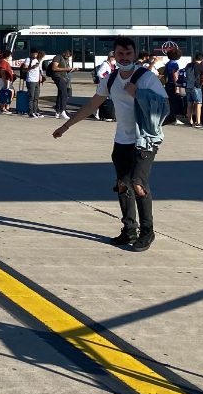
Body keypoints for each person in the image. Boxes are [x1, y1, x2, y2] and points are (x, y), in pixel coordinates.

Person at [53, 36, 167, 252]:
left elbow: (165, 106)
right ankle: (129, 229)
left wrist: (140, 93)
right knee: (123, 185)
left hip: (145, 139)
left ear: (135, 55)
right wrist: (66, 126)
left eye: (129, 54)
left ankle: (147, 231)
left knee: (138, 184)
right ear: (114, 55)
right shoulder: (111, 79)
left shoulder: (146, 78)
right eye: (120, 54)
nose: (124, 58)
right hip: (122, 139)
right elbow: (91, 106)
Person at [49, 47, 73, 119]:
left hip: (64, 78)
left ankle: (58, 111)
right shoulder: (57, 57)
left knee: (60, 93)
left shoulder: (66, 59)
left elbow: (66, 70)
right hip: (58, 77)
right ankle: (62, 111)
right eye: (68, 55)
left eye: (70, 56)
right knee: (64, 93)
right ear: (64, 52)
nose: (68, 56)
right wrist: (67, 69)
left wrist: (71, 70)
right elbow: (54, 68)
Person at [185, 52, 203, 127]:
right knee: (198, 104)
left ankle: (189, 121)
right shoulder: (201, 66)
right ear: (202, 59)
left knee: (189, 104)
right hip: (196, 87)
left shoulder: (188, 65)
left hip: (188, 86)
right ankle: (198, 121)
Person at [24, 50, 45, 118]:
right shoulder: (28, 59)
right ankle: (30, 112)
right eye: (34, 54)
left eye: (36, 54)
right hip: (30, 80)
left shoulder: (37, 60)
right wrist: (31, 67)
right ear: (31, 54)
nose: (35, 55)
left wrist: (40, 77)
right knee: (31, 97)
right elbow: (24, 69)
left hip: (36, 81)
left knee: (36, 97)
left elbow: (39, 70)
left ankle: (35, 111)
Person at [0, 49, 16, 113]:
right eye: (10, 55)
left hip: (7, 79)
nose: (10, 57)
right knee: (6, 93)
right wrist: (5, 81)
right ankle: (3, 108)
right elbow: (3, 72)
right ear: (7, 55)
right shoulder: (3, 62)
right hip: (4, 79)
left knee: (9, 92)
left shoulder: (4, 61)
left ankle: (6, 107)